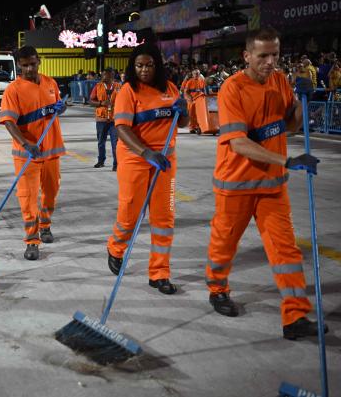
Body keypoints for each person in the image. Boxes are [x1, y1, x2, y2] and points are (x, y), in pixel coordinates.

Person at [206, 26, 328, 340]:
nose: (270, 61)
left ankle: (295, 316)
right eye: (263, 55)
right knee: (224, 244)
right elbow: (238, 144)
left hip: (272, 186)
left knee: (287, 252)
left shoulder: (280, 82)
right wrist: (287, 160)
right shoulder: (232, 89)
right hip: (236, 185)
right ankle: (218, 289)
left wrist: (303, 102)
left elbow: (288, 126)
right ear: (247, 56)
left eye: (275, 54)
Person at [106, 43, 189, 295]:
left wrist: (184, 110)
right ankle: (116, 248)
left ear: (157, 66)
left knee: (164, 218)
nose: (144, 70)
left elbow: (183, 123)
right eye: (139, 65)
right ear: (133, 66)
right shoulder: (128, 91)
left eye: (149, 65)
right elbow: (122, 128)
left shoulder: (171, 89)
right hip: (136, 158)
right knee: (131, 210)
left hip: (164, 162)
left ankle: (159, 272)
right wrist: (146, 152)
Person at [0, 45, 66, 260]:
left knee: (51, 192)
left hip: (51, 151)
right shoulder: (13, 89)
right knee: (28, 198)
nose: (29, 69)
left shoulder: (50, 83)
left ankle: (45, 225)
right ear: (18, 65)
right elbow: (9, 121)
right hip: (27, 154)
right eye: (24, 65)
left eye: (32, 64)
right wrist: (26, 144)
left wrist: (60, 107)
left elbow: (57, 105)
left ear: (39, 61)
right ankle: (31, 240)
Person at [90, 67, 121, 170]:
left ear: (111, 75)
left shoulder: (119, 87)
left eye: (104, 75)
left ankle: (116, 164)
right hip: (101, 119)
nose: (102, 77)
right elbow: (91, 101)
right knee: (101, 142)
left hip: (114, 119)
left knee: (115, 143)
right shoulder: (97, 86)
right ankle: (101, 161)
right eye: (102, 75)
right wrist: (101, 103)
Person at [184, 68, 206, 134]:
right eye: (195, 74)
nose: (197, 75)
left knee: (200, 113)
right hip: (192, 99)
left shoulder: (202, 81)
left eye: (198, 74)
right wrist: (190, 99)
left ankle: (199, 126)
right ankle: (192, 127)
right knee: (191, 113)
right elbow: (186, 92)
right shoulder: (190, 81)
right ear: (192, 74)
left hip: (200, 99)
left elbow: (205, 90)